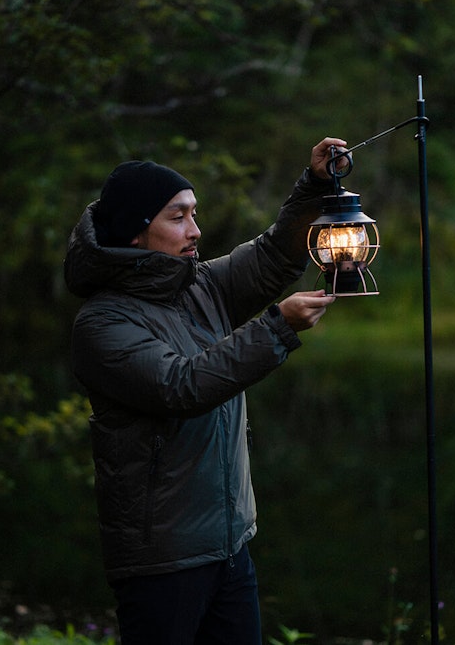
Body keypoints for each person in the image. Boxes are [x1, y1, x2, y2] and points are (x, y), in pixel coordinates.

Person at [63, 138, 347, 644]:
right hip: (163, 558)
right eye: (178, 217)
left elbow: (272, 258)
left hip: (229, 545)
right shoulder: (102, 323)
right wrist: (277, 327)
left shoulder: (197, 285)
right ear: (134, 231)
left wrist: (316, 185)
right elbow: (181, 385)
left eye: (194, 214)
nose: (195, 230)